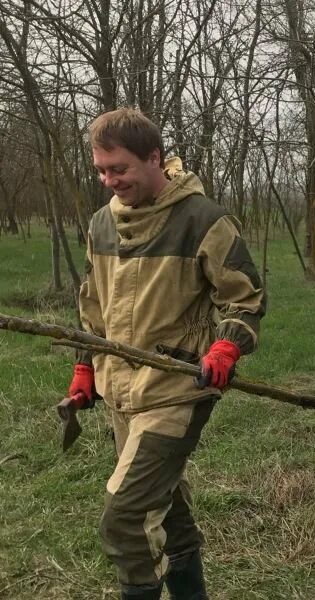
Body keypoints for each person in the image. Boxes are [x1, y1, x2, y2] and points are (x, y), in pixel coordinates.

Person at [66, 107, 266, 600]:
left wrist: (225, 346)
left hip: (178, 389)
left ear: (154, 158)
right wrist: (83, 367)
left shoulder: (205, 220)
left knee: (127, 516)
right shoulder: (100, 224)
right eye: (101, 170)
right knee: (167, 507)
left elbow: (244, 298)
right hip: (119, 391)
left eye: (120, 169)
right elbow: (93, 307)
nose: (109, 180)